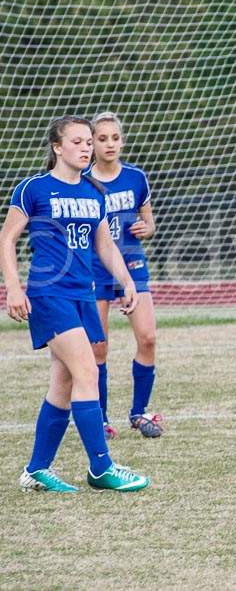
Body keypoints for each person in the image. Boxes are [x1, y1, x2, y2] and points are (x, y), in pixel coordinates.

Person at [1, 115, 150, 492]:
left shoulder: (92, 191)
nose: (86, 148)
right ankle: (102, 468)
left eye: (89, 142)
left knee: (64, 382)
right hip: (49, 294)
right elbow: (7, 238)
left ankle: (36, 469)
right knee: (88, 371)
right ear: (57, 147)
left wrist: (127, 282)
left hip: (84, 294)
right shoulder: (33, 189)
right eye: (79, 142)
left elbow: (104, 244)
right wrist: (14, 288)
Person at [85, 112, 162, 439]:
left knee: (148, 338)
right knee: (98, 348)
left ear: (122, 140)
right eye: (101, 139)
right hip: (94, 267)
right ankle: (100, 419)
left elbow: (150, 222)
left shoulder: (136, 178)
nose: (109, 144)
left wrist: (148, 228)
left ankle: (139, 412)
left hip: (131, 265)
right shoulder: (83, 179)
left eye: (114, 138)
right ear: (92, 144)